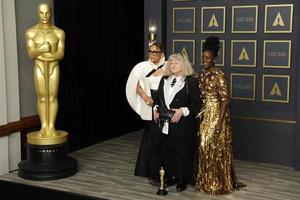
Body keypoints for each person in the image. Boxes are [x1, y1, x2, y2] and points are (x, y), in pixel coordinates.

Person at [195, 37, 245, 194]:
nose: (204, 60)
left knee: (217, 149)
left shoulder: (219, 75)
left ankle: (218, 182)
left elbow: (225, 101)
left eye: (207, 58)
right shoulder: (201, 75)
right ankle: (206, 181)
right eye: (203, 57)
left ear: (214, 58)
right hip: (205, 114)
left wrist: (219, 123)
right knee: (204, 146)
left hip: (217, 114)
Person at [153, 53, 201, 192]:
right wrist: (156, 109)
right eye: (171, 63)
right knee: (168, 151)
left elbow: (197, 104)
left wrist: (182, 111)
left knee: (182, 152)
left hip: (183, 124)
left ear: (183, 65)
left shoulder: (190, 81)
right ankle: (172, 175)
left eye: (176, 63)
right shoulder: (164, 79)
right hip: (166, 123)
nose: (173, 66)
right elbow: (158, 99)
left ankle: (182, 179)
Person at [126, 42, 165, 182]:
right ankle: (150, 171)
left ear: (161, 53)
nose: (152, 54)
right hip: (148, 104)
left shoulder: (168, 67)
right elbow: (134, 84)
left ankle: (161, 171)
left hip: (163, 105)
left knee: (162, 138)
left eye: (156, 52)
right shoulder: (141, 67)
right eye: (150, 51)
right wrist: (144, 97)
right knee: (151, 137)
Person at [25, 3, 65, 137]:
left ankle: (51, 127)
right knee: (42, 97)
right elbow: (31, 53)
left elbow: (61, 53)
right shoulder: (31, 32)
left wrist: (47, 55)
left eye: (47, 13)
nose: (44, 16)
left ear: (51, 13)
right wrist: (42, 49)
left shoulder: (58, 32)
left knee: (52, 97)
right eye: (41, 13)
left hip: (53, 66)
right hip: (39, 67)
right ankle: (43, 127)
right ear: (37, 13)